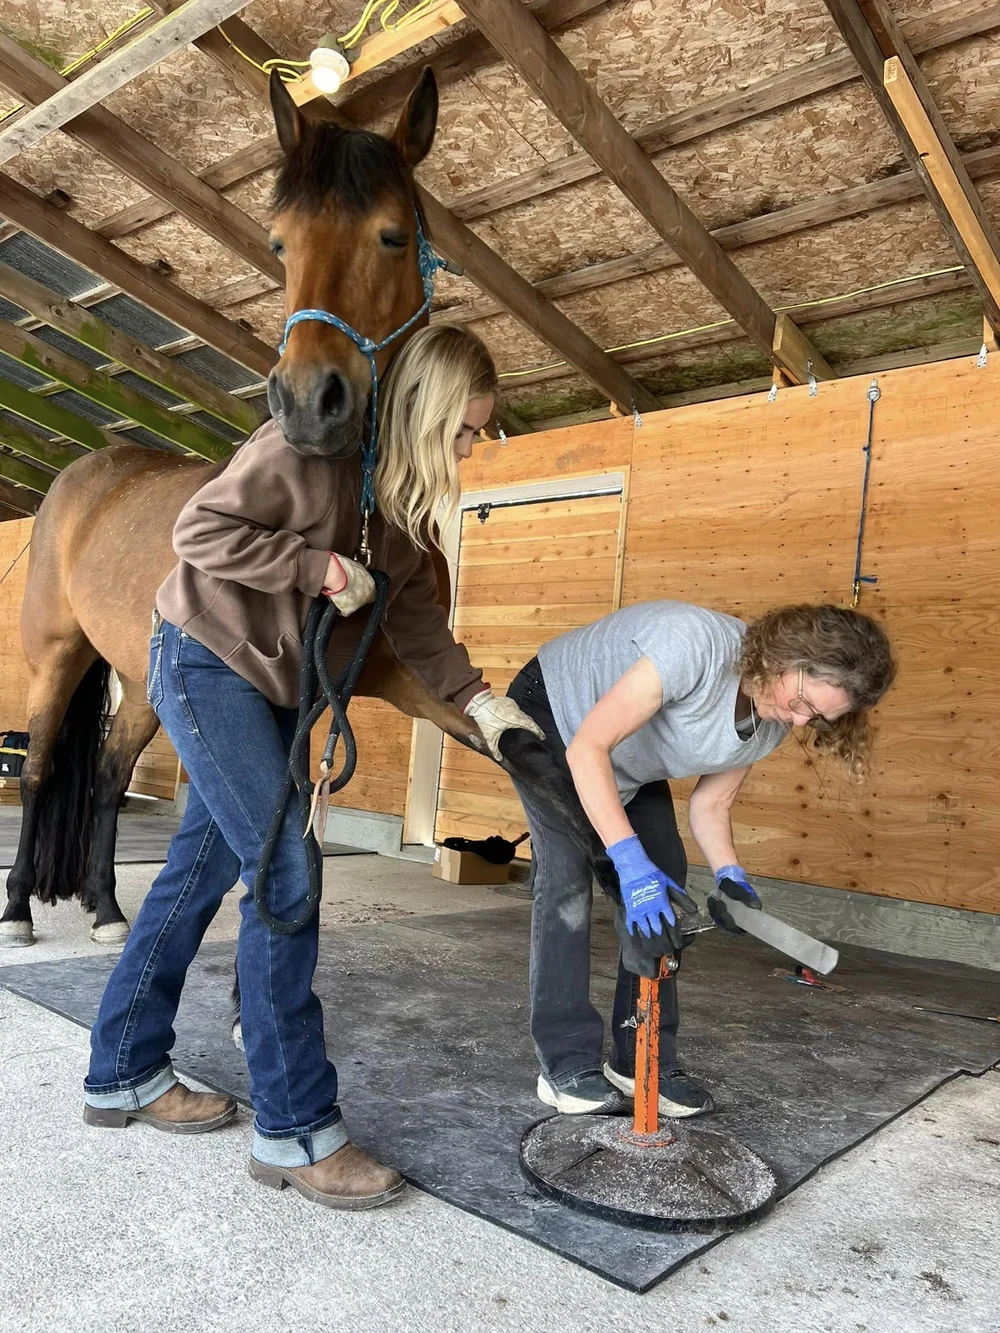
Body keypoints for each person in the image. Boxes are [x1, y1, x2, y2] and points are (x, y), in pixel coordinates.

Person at [83, 325, 542, 1210]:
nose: (470, 449)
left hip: (271, 690)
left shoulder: (402, 505)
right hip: (206, 656)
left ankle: (123, 1067)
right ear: (423, 409)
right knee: (286, 871)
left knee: (200, 868)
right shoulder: (304, 450)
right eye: (463, 431)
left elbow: (414, 625)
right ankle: (295, 1127)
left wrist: (482, 700)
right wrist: (317, 566)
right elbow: (199, 529)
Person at [506, 601, 896, 1117]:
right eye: (802, 701)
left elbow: (714, 802)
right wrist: (626, 859)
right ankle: (564, 1063)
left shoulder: (775, 718)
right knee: (568, 882)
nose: (802, 721)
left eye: (819, 717)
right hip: (554, 714)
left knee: (665, 882)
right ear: (782, 657)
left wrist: (730, 875)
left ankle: (642, 1059)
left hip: (623, 754)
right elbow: (586, 750)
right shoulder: (692, 646)